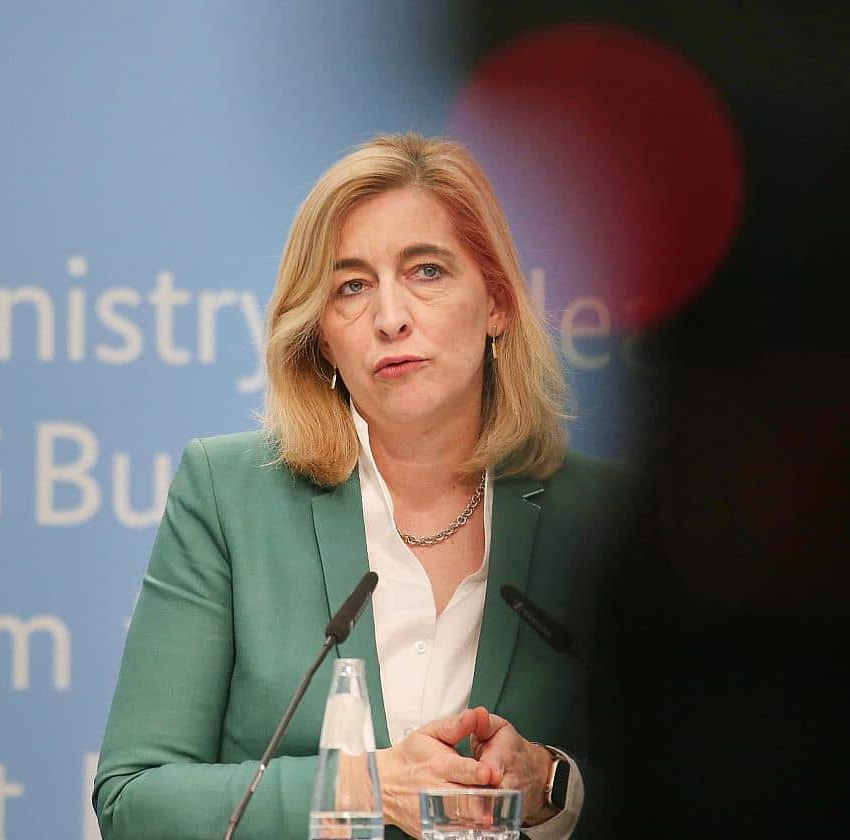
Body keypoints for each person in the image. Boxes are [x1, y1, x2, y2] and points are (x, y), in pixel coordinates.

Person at [93, 133, 622, 839]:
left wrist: (553, 788)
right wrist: (361, 788)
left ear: (496, 303)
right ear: (322, 336)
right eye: (351, 287)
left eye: (427, 271)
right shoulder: (227, 496)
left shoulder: (603, 517)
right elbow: (134, 801)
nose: (390, 317)